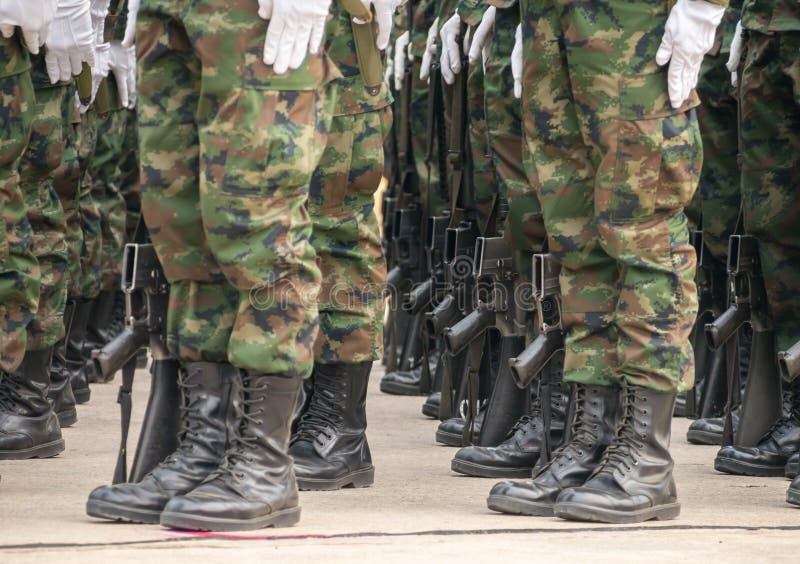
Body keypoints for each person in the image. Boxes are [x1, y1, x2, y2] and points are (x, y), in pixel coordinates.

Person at [487, 0, 727, 524]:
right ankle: (590, 444)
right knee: (576, 237)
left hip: (633, 20)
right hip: (551, 18)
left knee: (642, 227)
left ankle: (645, 459)